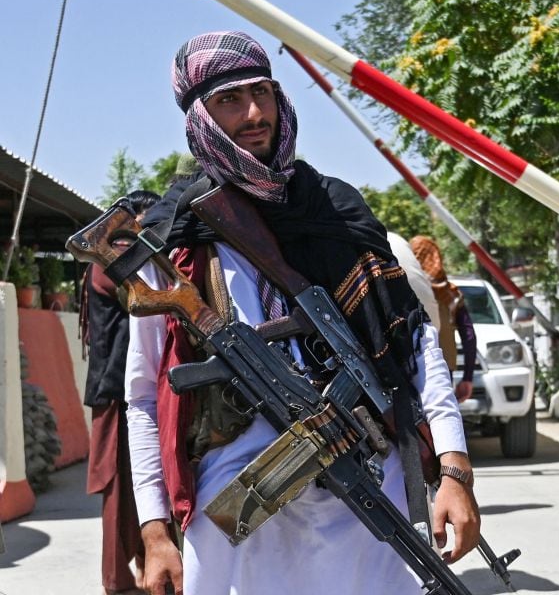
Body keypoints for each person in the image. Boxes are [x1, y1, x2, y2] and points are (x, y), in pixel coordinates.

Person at [124, 31, 480, 595]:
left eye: (262, 93)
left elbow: (416, 348)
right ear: (199, 118)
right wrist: (154, 529)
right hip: (238, 517)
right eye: (229, 101)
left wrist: (455, 471)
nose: (253, 113)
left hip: (361, 494)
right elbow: (144, 396)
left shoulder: (337, 212)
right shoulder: (173, 245)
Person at [81, 189, 161, 595]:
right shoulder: (115, 256)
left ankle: (145, 571)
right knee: (119, 487)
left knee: (140, 486)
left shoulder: (116, 253)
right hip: (118, 388)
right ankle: (118, 581)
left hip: (120, 384)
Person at [410, 235, 478, 402]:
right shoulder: (451, 294)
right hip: (442, 370)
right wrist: (468, 377)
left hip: (408, 368)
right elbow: (469, 336)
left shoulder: (404, 287)